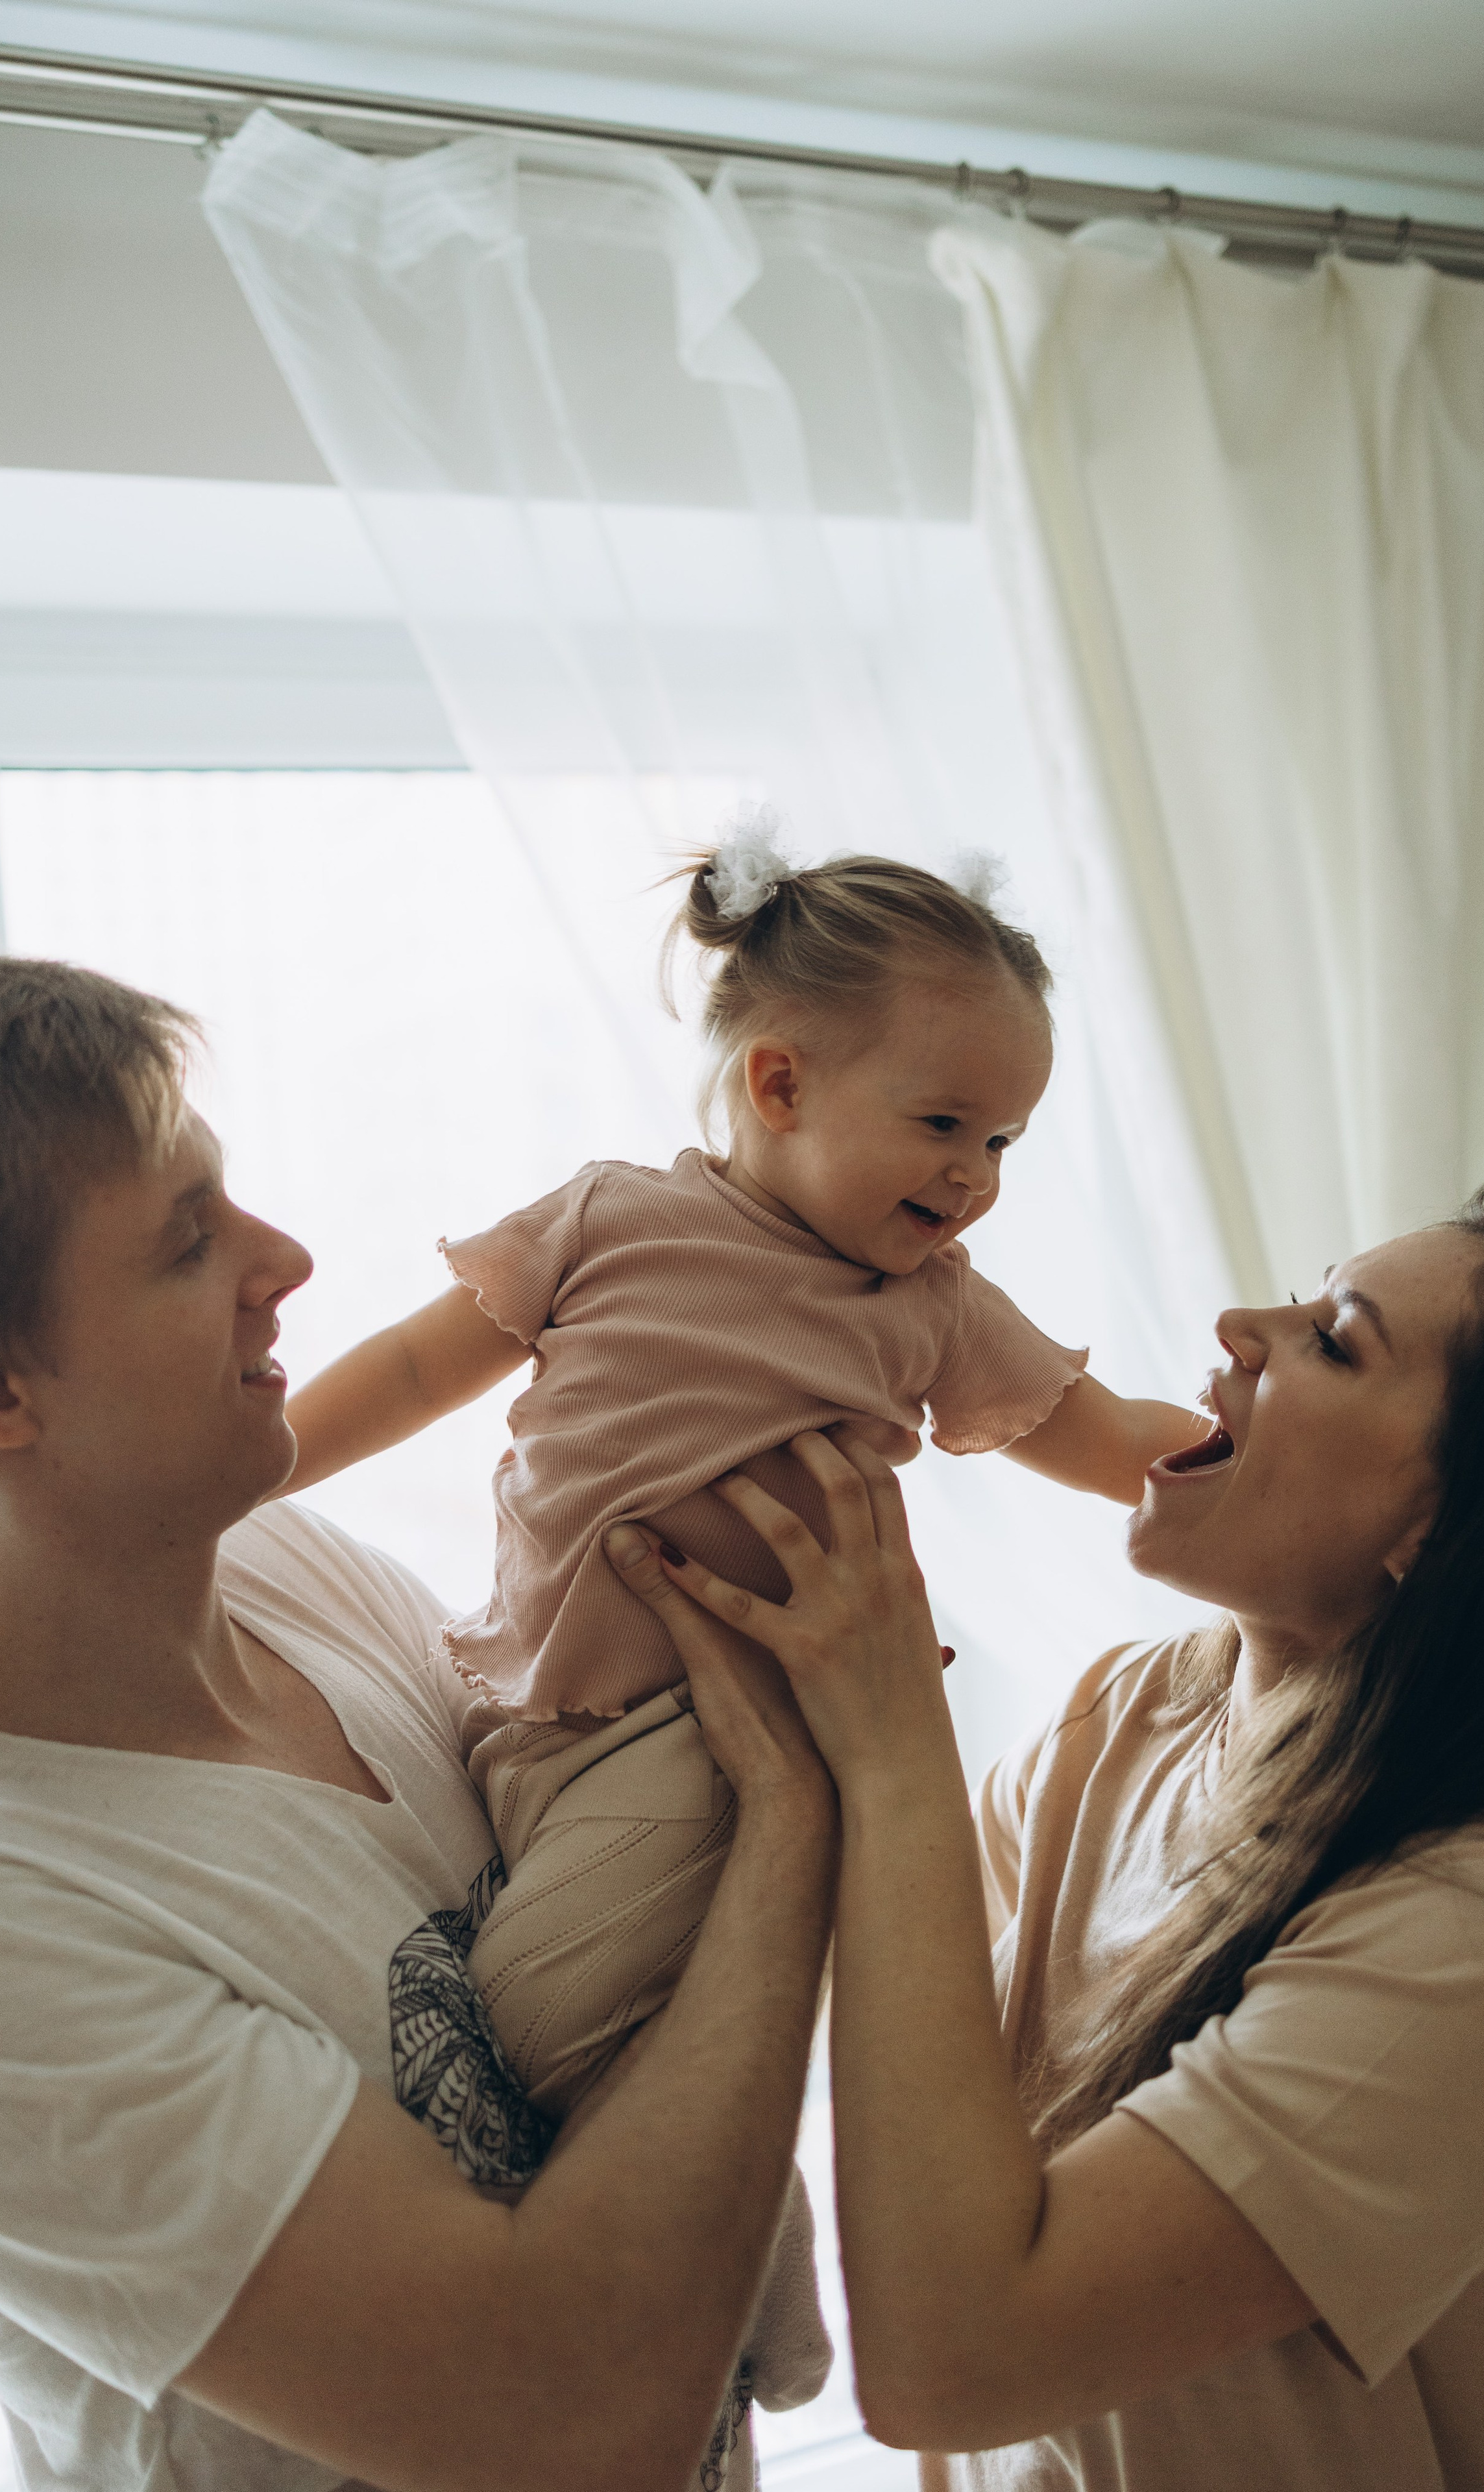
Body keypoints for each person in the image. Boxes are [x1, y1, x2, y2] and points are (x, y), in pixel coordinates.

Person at [0, 957, 836, 2492]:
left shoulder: (309, 1575)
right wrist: (798, 1819)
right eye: (186, 1243)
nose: (283, 1260)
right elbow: (564, 2431)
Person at [614, 1174, 1484, 2489]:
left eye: (1333, 1342)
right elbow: (882, 2008)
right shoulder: (1132, 1715)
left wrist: (894, 1740)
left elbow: (952, 2361)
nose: (1243, 1324)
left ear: (1442, 1527)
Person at [284, 823, 1195, 2134]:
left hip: (721, 1730)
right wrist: (264, 1467)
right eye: (943, 1125)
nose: (974, 1176)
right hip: (523, 1699)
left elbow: (1103, 1437)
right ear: (778, 1086)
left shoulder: (929, 1306)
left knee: (531, 2027)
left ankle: (736, 2333)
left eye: (1003, 1140)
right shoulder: (604, 1219)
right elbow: (418, 1371)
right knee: (660, 2041)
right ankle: (747, 2325)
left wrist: (1253, 1451)